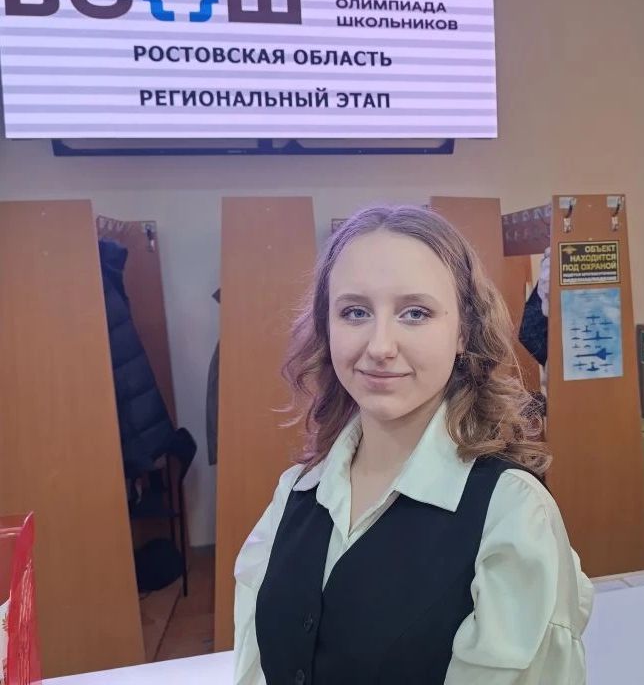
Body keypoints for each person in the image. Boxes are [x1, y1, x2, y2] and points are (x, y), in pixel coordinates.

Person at [234, 205, 593, 685]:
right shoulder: (294, 495)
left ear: (464, 331)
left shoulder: (512, 514)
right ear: (327, 326)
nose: (380, 346)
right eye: (355, 312)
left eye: (415, 313)